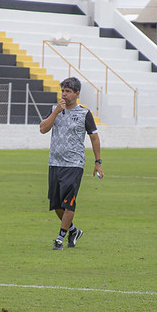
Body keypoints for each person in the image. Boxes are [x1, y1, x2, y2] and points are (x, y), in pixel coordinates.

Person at [39, 77, 102, 250]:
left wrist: (98, 162)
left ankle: (60, 238)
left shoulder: (84, 114)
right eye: (63, 91)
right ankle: (73, 230)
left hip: (74, 164)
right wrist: (55, 113)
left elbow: (94, 138)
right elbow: (43, 129)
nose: (64, 95)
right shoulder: (55, 110)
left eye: (68, 91)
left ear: (76, 94)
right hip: (55, 162)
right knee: (56, 204)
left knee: (69, 202)